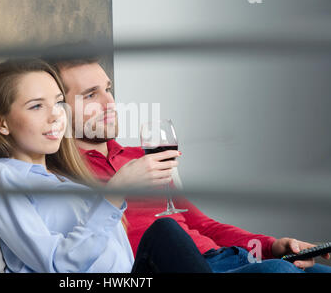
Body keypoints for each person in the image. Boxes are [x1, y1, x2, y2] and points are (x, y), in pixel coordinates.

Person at [45, 49, 331, 273]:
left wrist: (271, 245)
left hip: (227, 258)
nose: (110, 103)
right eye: (91, 94)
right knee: (279, 271)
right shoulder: (58, 176)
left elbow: (202, 225)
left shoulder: (142, 156)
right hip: (176, 266)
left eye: (108, 89)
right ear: (59, 107)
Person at [0, 58, 212, 273]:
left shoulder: (62, 180)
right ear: (2, 124)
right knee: (165, 233)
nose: (56, 116)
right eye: (36, 106)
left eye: (57, 103)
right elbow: (57, 265)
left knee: (166, 232)